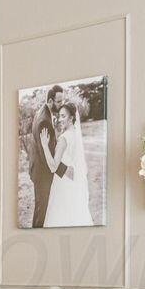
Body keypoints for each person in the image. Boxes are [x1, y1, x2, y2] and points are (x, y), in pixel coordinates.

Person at [41, 86, 94, 228]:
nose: (60, 119)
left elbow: (53, 167)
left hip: (63, 184)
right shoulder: (75, 133)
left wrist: (45, 146)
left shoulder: (64, 138)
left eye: (63, 116)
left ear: (71, 118)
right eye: (59, 116)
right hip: (73, 181)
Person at [25, 94, 56, 227]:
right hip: (43, 173)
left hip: (37, 169)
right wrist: (59, 170)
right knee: (42, 212)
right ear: (50, 101)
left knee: (39, 209)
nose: (62, 104)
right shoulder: (45, 121)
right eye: (59, 101)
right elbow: (46, 154)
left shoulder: (41, 111)